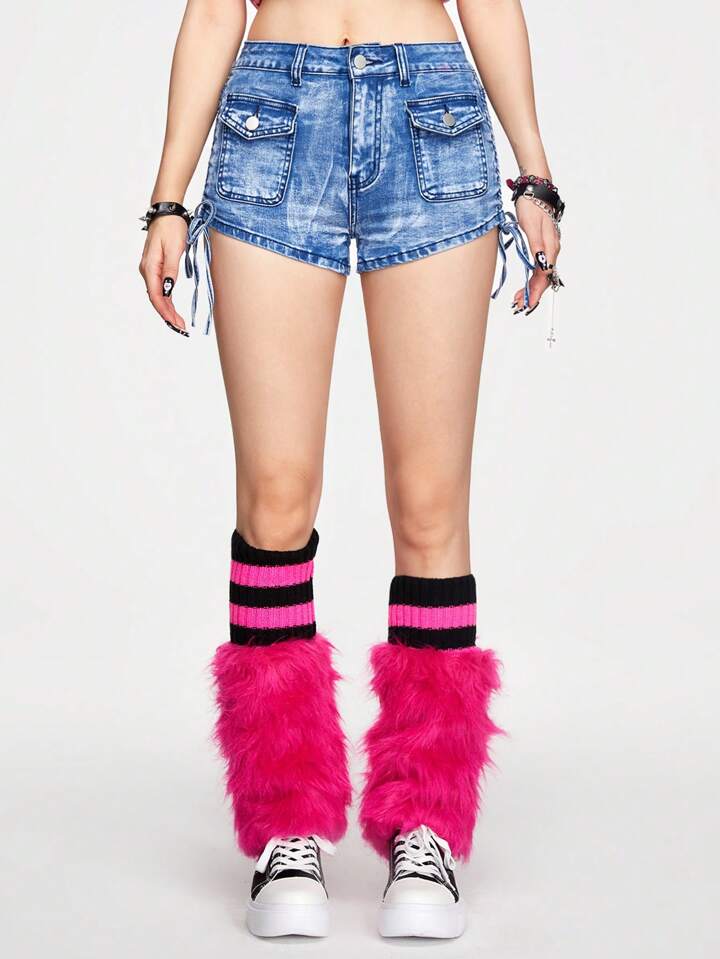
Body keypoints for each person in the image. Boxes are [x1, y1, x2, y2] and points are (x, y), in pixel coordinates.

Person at [139, 0, 563, 940]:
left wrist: (534, 173)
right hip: (272, 119)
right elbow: (213, 11)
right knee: (275, 495)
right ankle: (285, 822)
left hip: (431, 117)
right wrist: (168, 197)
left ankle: (427, 821)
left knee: (430, 501)